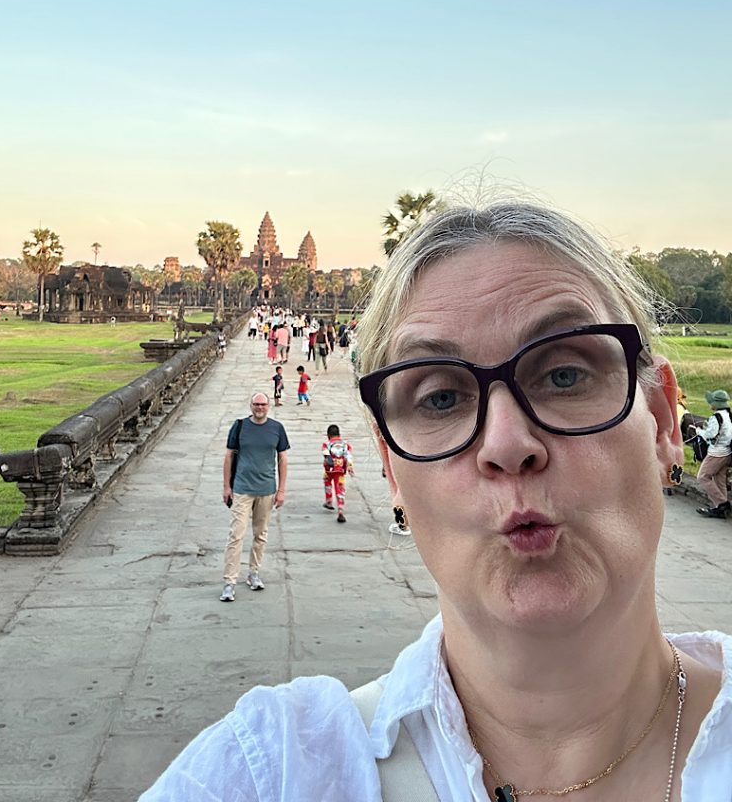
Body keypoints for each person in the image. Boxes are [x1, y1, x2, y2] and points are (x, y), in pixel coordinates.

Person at [141, 201, 732, 801]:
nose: (507, 444)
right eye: (441, 398)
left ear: (662, 420)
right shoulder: (273, 770)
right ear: (391, 468)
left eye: (564, 375)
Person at [220, 393, 289, 603]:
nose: (260, 408)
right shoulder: (240, 426)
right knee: (236, 535)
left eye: (263, 404)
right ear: (250, 406)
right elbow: (229, 456)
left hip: (266, 489)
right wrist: (226, 486)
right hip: (242, 488)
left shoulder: (277, 428)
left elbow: (283, 459)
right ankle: (230, 581)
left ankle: (254, 572)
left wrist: (281, 490)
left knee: (261, 534)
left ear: (269, 406)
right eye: (256, 404)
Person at [694, 389, 732, 519]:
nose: (710, 404)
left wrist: (699, 431)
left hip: (716, 453)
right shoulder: (728, 415)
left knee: (702, 477)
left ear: (716, 404)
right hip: (727, 452)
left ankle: (722, 504)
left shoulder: (717, 417)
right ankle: (720, 509)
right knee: (719, 479)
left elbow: (710, 435)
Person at [321, 423, 354, 523]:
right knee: (339, 488)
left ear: (328, 435)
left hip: (329, 470)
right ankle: (340, 509)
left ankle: (329, 501)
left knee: (327, 482)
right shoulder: (345, 444)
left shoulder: (326, 444)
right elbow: (348, 455)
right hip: (340, 470)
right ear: (339, 434)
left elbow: (325, 453)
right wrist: (350, 466)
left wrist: (328, 458)